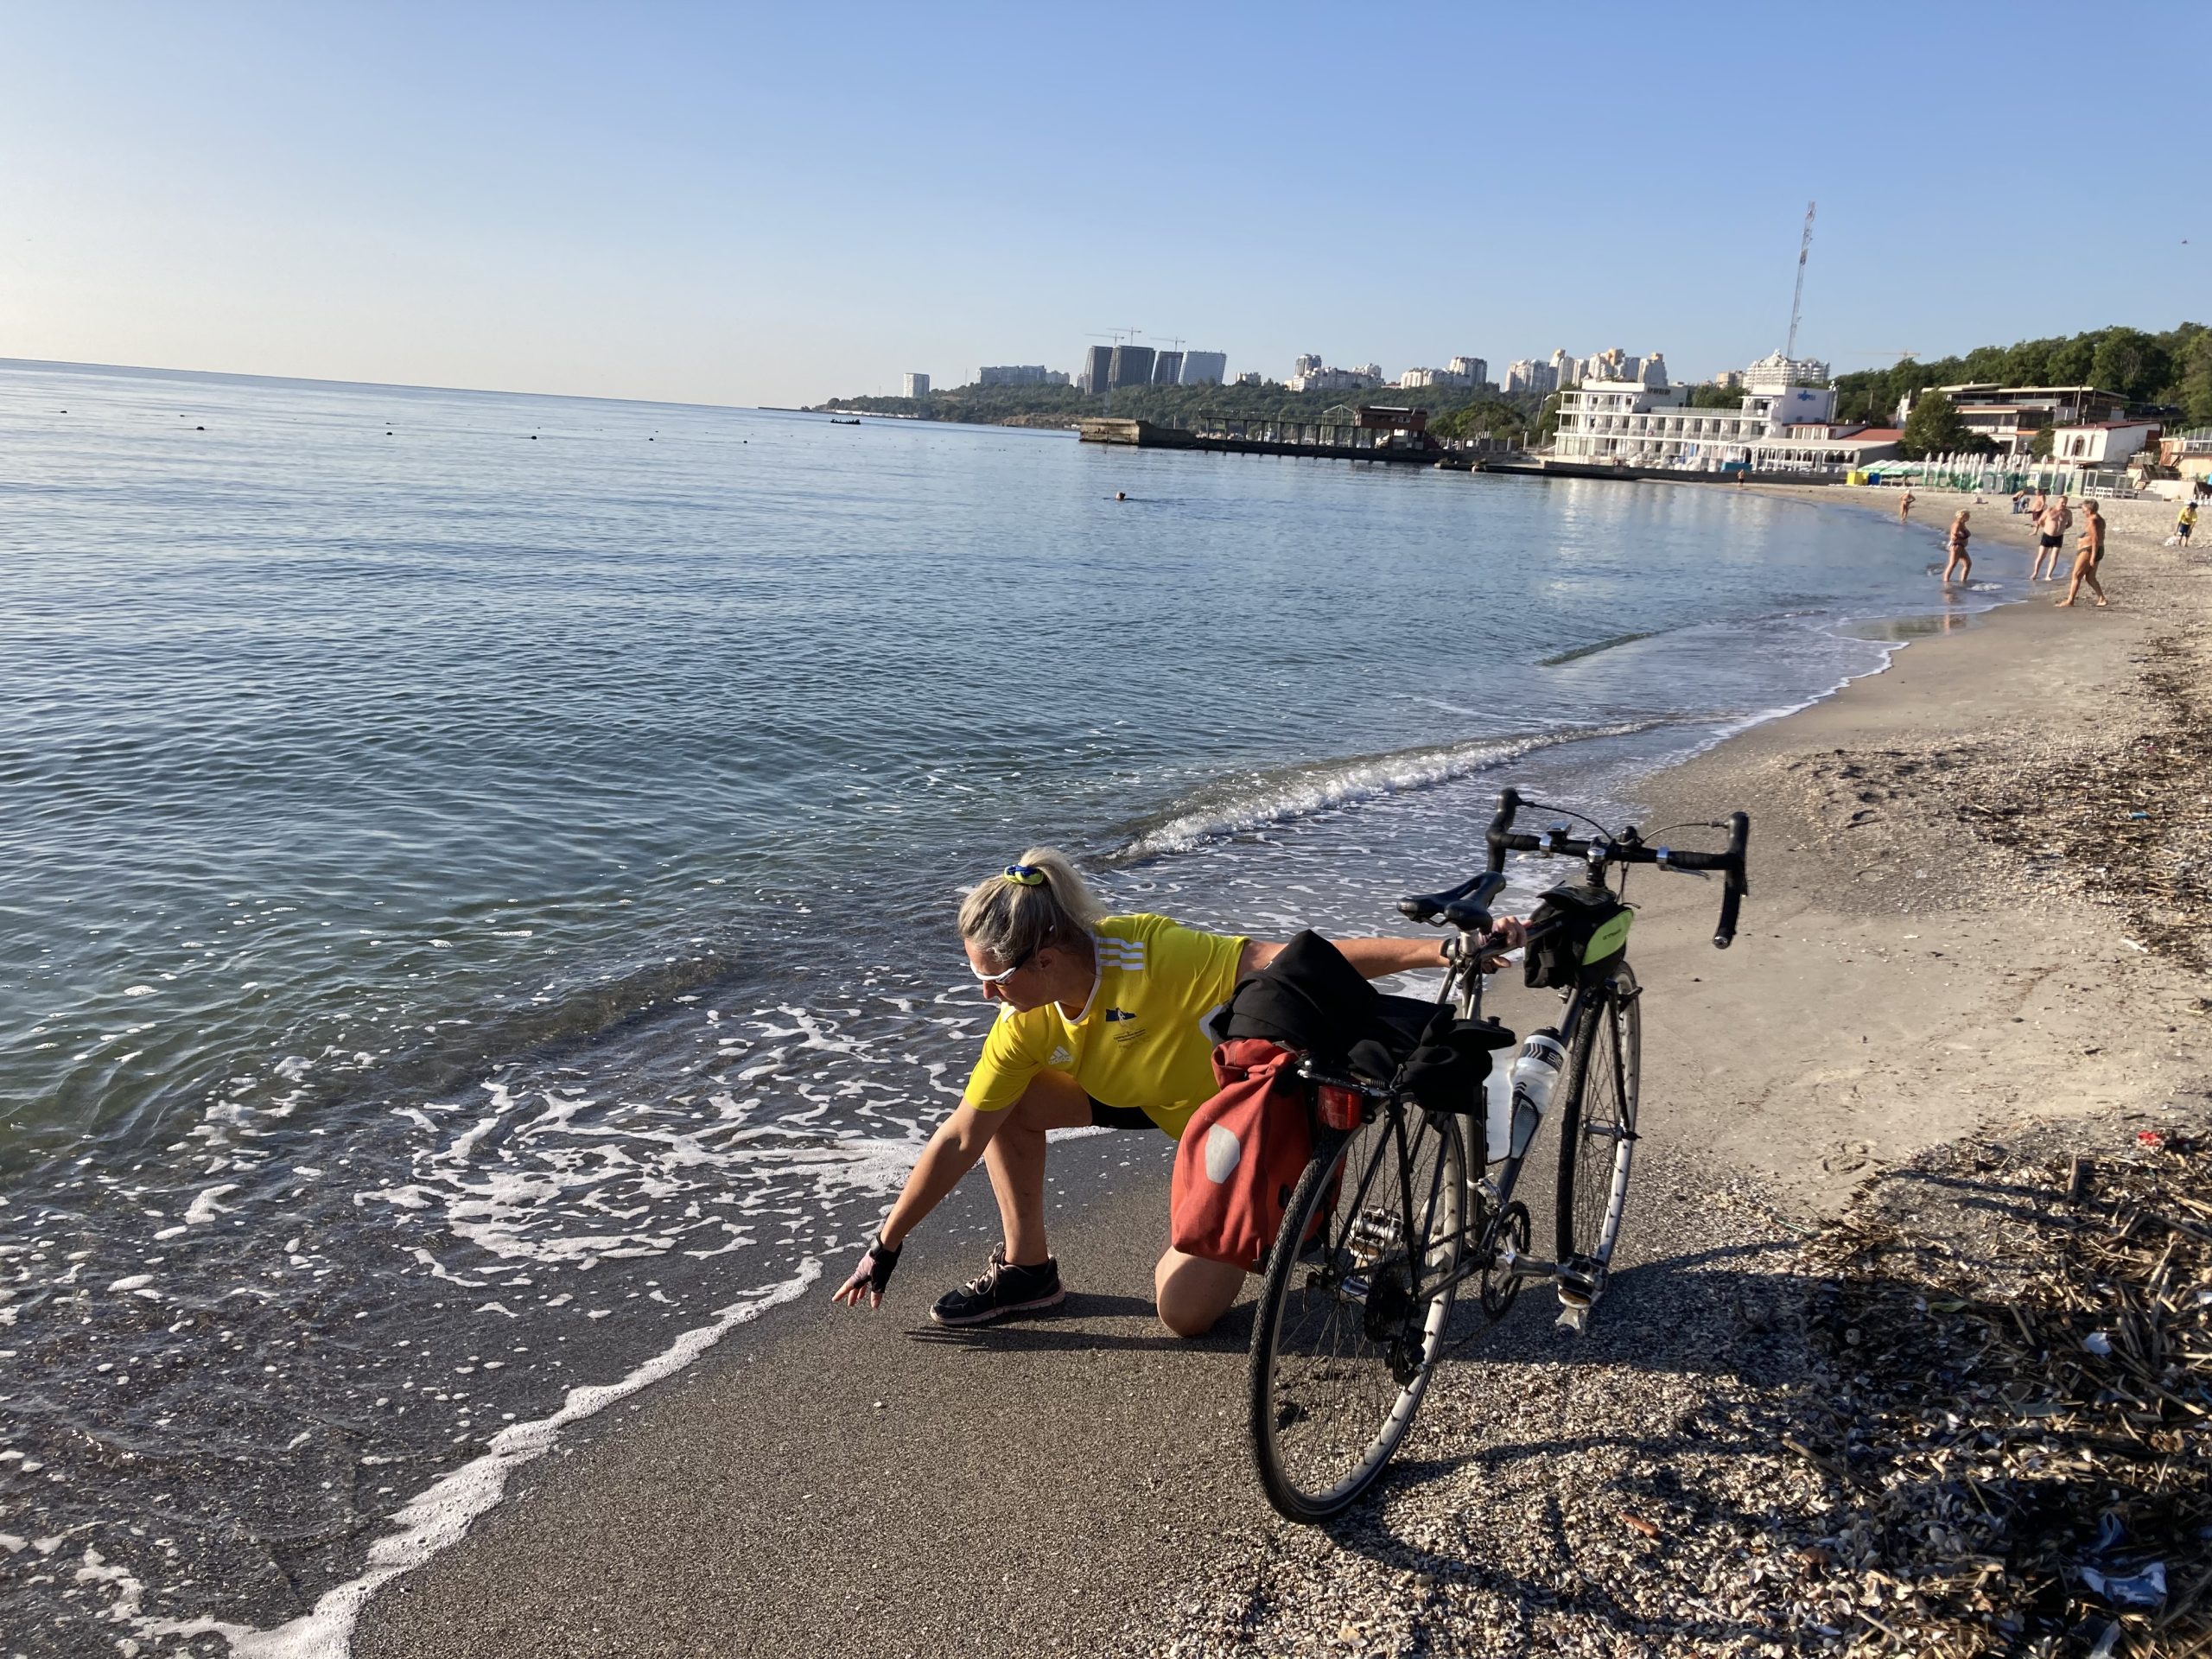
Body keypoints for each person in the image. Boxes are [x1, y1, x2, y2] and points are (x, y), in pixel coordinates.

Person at [829, 850, 1520, 1337]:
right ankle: (1028, 1270)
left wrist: (1440, 953)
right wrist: (885, 1245)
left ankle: (1304, 1197)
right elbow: (960, 1136)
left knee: (1183, 1315)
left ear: (1046, 959)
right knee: (1010, 1107)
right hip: (1151, 1100)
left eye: (995, 978)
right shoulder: (1024, 1023)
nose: (986, 995)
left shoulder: (1153, 956)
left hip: (1242, 1125)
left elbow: (1296, 958)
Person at [2058, 500, 2108, 607]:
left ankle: (2070, 601)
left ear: (2089, 510)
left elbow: (2095, 539)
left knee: (2076, 575)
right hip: (2097, 549)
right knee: (2090, 577)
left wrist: (2092, 557)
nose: (2083, 512)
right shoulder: (2100, 519)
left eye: (2084, 510)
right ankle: (2102, 598)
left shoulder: (2092, 520)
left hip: (2089, 550)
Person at [2032, 494, 2073, 582]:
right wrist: (2046, 528)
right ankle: (2035, 573)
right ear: (2058, 502)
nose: (2064, 504)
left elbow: (2070, 523)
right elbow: (2040, 521)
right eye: (2062, 502)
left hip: (2058, 537)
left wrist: (2062, 529)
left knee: (2054, 557)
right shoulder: (2050, 510)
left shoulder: (2068, 512)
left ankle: (2048, 575)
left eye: (2065, 503)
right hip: (2047, 536)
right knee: (2041, 556)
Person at [1942, 509, 1973, 584]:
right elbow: (1954, 536)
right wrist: (1964, 536)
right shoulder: (1957, 524)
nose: (1969, 517)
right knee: (1952, 564)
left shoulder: (1962, 524)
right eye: (1968, 516)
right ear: (1963, 516)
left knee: (1968, 564)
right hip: (1956, 546)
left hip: (1961, 546)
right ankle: (1946, 582)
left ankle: (1963, 581)